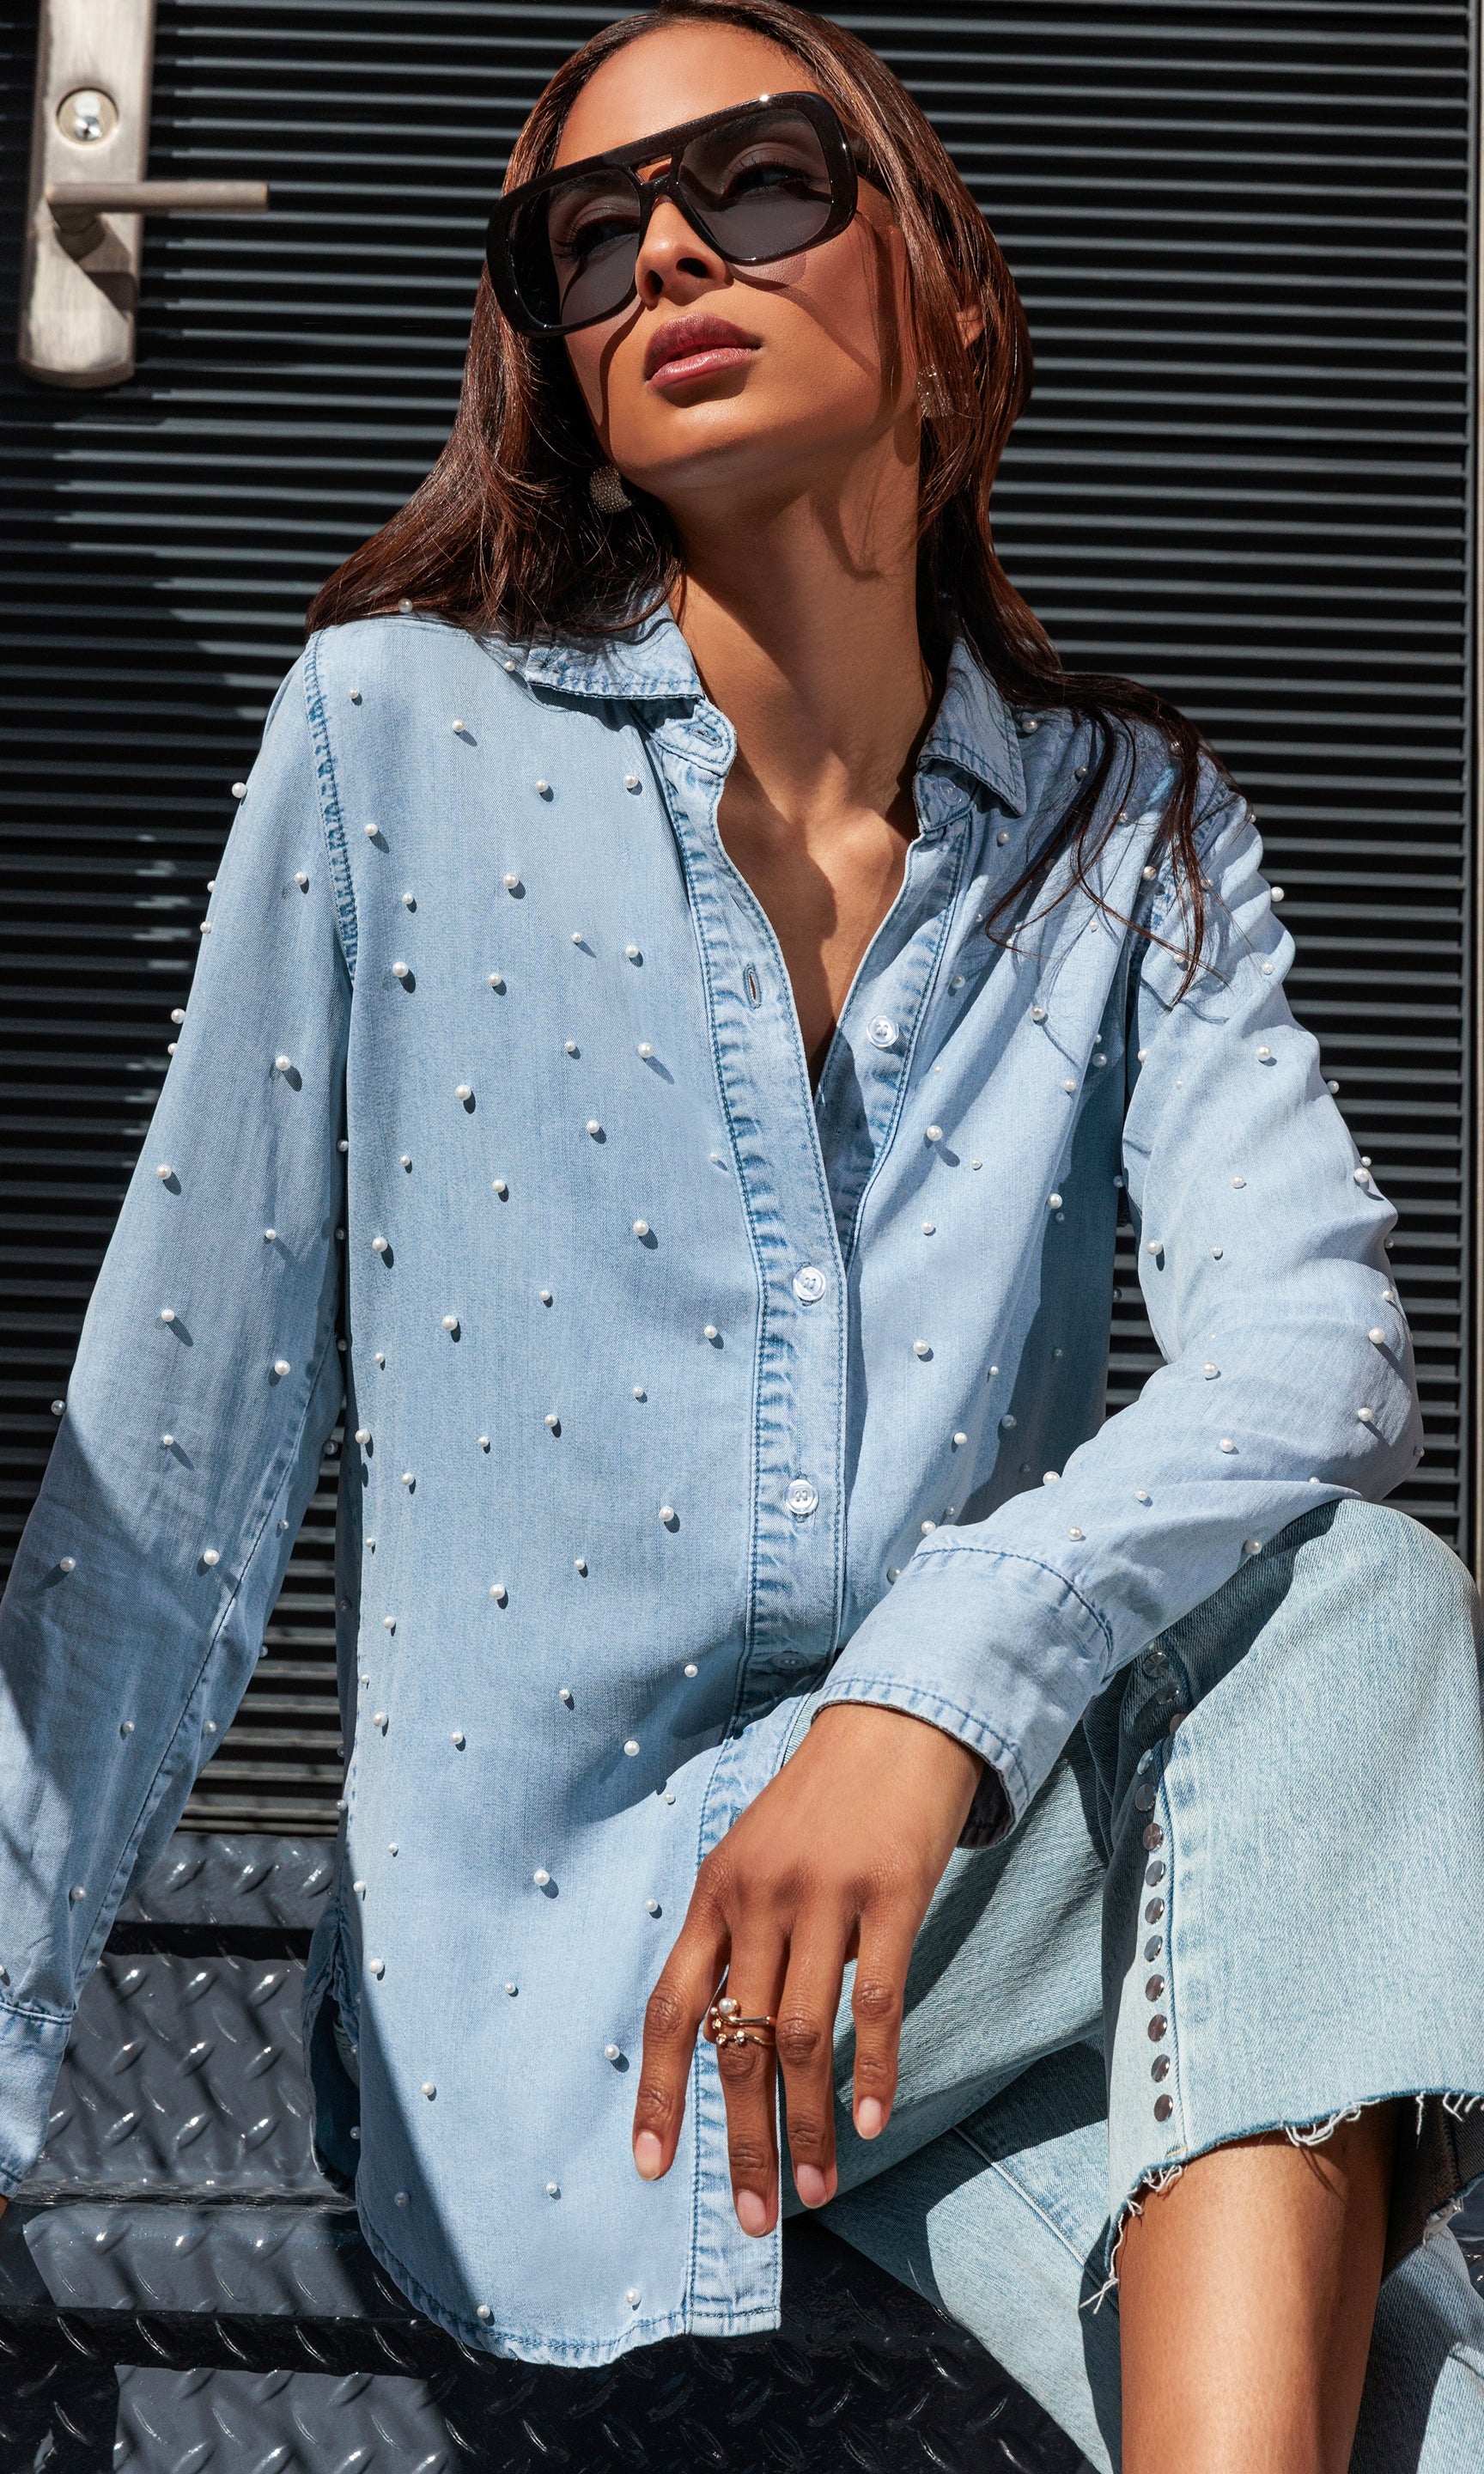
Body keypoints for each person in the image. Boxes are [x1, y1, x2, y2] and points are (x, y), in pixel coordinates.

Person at [2, 1, 1482, 2464]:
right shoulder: (392, 739)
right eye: (587, 236)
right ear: (565, 365)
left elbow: (1310, 1344)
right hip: (559, 2016)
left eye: (763, 179)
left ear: (942, 288)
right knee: (1368, 1616)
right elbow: (163, 1519)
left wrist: (930, 1702)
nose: (671, 245)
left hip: (958, 1953)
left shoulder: (1133, 833)